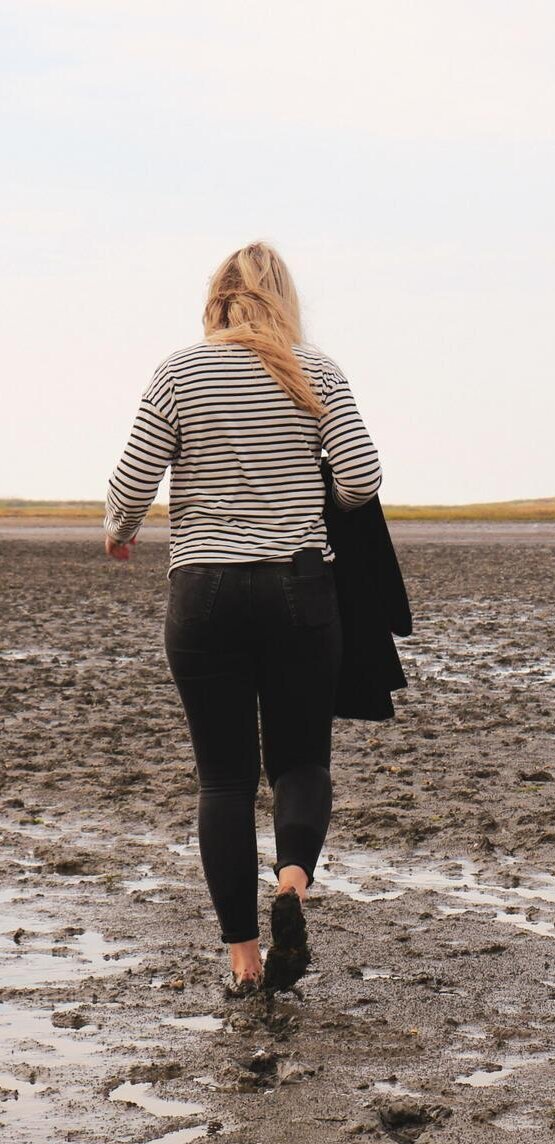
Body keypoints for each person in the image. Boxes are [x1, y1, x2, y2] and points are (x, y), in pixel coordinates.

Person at [103, 243, 382, 993]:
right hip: (299, 587)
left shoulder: (181, 370)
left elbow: (132, 481)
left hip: (204, 591)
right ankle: (292, 884)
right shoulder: (316, 370)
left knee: (223, 780)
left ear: (217, 299)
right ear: (284, 298)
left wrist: (119, 530)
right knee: (301, 760)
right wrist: (317, 502)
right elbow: (361, 477)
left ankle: (245, 962)